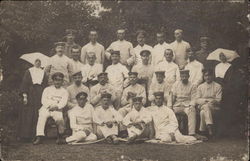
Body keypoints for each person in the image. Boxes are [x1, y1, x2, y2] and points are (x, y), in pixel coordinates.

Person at [33, 72, 69, 145]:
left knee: (59, 119)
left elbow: (63, 102)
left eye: (59, 80)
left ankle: (60, 136)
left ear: (62, 81)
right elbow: (43, 100)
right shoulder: (47, 89)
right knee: (42, 116)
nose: (57, 82)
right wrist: (49, 106)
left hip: (57, 109)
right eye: (56, 80)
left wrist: (57, 107)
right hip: (47, 108)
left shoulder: (64, 91)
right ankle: (39, 136)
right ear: (53, 81)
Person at [18, 59, 47, 141]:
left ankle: (37, 135)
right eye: (36, 61)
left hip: (40, 93)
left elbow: (45, 84)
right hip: (31, 93)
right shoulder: (29, 71)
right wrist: (25, 96)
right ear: (33, 62)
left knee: (38, 113)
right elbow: (24, 83)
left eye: (39, 61)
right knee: (28, 113)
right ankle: (26, 135)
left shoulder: (43, 72)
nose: (38, 62)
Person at [171, 70, 198, 138]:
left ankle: (192, 133)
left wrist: (192, 105)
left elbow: (194, 98)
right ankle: (172, 132)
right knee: (169, 112)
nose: (184, 78)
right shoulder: (176, 84)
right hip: (177, 105)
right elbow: (172, 96)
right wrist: (170, 106)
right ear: (180, 77)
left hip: (187, 105)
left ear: (188, 76)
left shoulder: (193, 85)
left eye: (186, 76)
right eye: (182, 76)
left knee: (192, 110)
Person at [196, 69, 222, 139]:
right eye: (205, 76)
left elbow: (218, 99)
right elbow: (197, 99)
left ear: (212, 76)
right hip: (202, 105)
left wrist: (212, 102)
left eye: (209, 75)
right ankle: (210, 128)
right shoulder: (200, 87)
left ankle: (202, 131)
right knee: (206, 106)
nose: (207, 77)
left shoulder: (218, 86)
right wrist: (206, 100)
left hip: (214, 107)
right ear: (203, 77)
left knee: (202, 112)